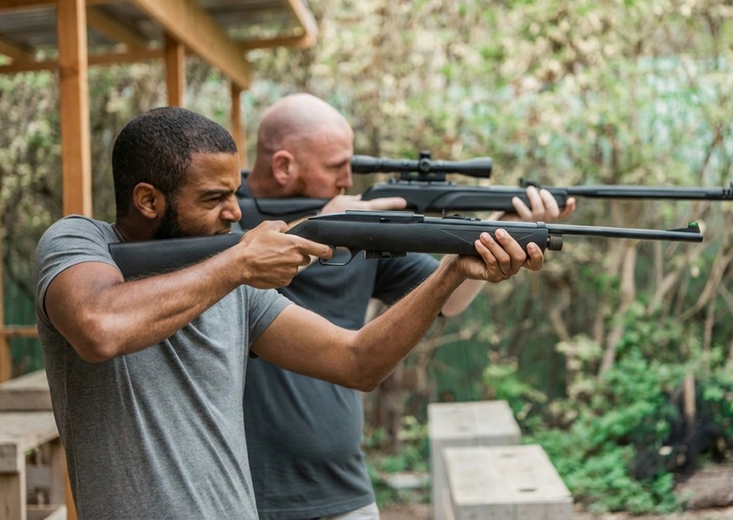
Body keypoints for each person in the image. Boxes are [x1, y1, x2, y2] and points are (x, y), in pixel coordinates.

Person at [33, 106, 546, 520]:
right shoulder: (80, 241)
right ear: (148, 199)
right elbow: (98, 328)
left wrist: (450, 274)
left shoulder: (231, 274)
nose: (235, 214)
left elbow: (356, 361)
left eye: (236, 194)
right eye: (214, 198)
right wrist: (237, 264)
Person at [241, 93, 576, 520]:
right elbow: (212, 272)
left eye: (352, 164)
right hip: (245, 493)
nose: (348, 179)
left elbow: (447, 297)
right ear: (284, 166)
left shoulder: (354, 225)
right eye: (335, 167)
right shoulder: (218, 210)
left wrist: (498, 234)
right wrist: (312, 231)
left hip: (343, 488)